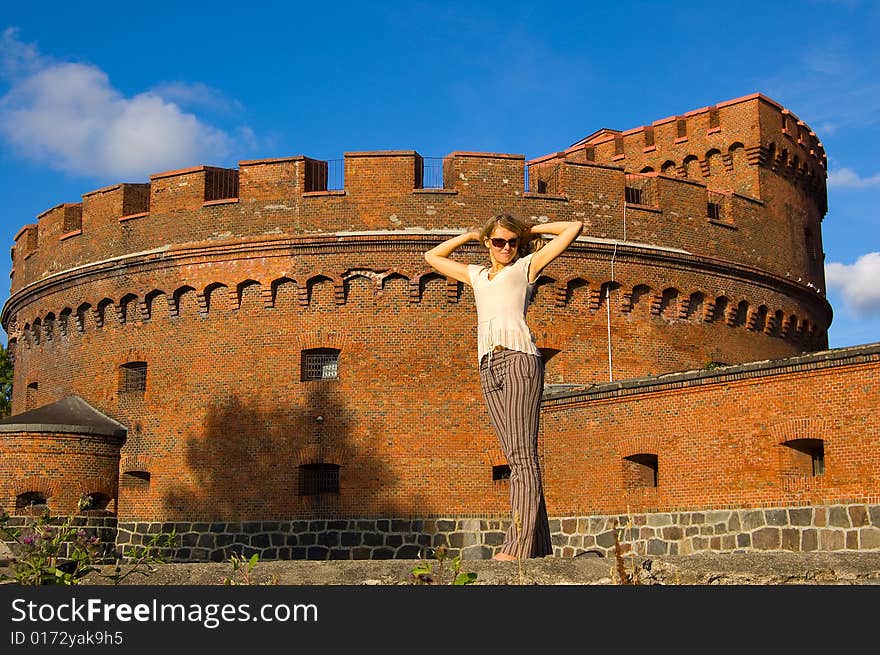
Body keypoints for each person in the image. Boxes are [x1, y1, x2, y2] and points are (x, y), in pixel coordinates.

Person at [424, 214, 583, 560]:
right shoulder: (477, 275)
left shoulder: (525, 268)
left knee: (522, 458)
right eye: (498, 241)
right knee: (516, 455)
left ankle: (517, 547)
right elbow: (432, 258)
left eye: (512, 241)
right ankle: (539, 548)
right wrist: (468, 233)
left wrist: (533, 231)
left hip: (519, 361)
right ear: (488, 244)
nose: (506, 247)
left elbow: (573, 229)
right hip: (488, 365)